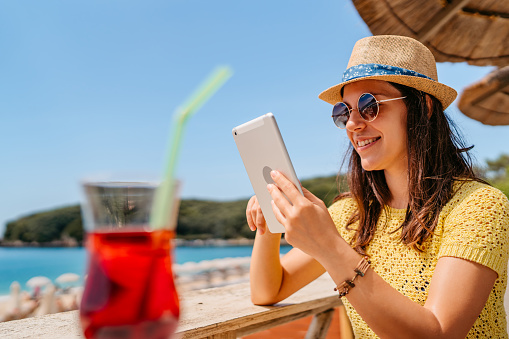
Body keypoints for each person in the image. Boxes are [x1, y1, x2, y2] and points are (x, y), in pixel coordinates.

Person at [246, 35, 509, 338]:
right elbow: (268, 290)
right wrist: (269, 214)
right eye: (343, 112)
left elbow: (439, 333)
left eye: (370, 106)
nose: (352, 124)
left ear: (422, 107)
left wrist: (329, 247)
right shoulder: (353, 213)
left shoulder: (479, 206)